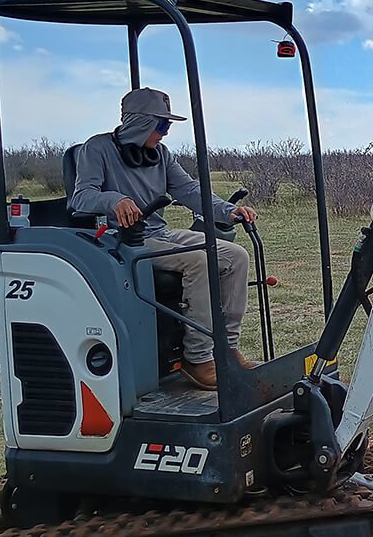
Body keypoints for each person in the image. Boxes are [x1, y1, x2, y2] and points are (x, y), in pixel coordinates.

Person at [70, 87, 259, 390]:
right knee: (199, 260)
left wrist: (228, 211)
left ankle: (225, 348)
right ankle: (197, 358)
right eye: (161, 125)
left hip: (159, 232)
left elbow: (189, 191)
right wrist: (113, 201)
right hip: (123, 241)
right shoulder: (98, 149)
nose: (165, 133)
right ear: (140, 123)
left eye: (167, 126)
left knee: (235, 256)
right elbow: (82, 197)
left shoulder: (161, 155)